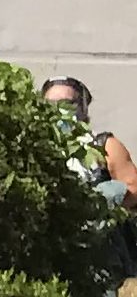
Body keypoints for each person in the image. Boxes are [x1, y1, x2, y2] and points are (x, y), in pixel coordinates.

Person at [40, 76, 135, 208]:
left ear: (82, 108)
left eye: (66, 103)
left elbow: (134, 187)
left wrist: (105, 199)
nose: (58, 109)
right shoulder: (37, 147)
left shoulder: (103, 145)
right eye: (50, 104)